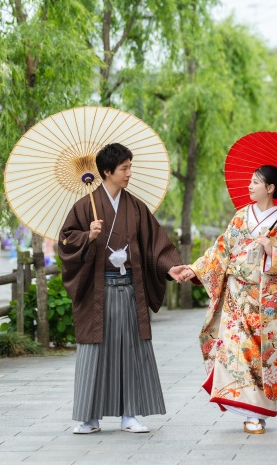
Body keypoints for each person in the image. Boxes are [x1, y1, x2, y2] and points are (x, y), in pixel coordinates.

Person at [58, 143, 188, 434]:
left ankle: (130, 414)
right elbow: (65, 241)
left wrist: (170, 267)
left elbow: (156, 245)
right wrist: (87, 237)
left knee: (131, 349)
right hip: (97, 290)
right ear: (107, 172)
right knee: (94, 351)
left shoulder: (136, 208)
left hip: (129, 288)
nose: (129, 173)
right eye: (124, 168)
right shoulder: (84, 207)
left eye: (130, 167)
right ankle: (88, 417)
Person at [179, 165, 277, 435]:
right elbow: (221, 250)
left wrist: (272, 250)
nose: (249, 186)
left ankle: (257, 413)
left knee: (260, 355)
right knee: (237, 352)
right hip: (237, 295)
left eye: (255, 182)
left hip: (266, 300)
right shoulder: (240, 218)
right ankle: (248, 410)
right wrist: (195, 269)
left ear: (270, 189)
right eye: (250, 181)